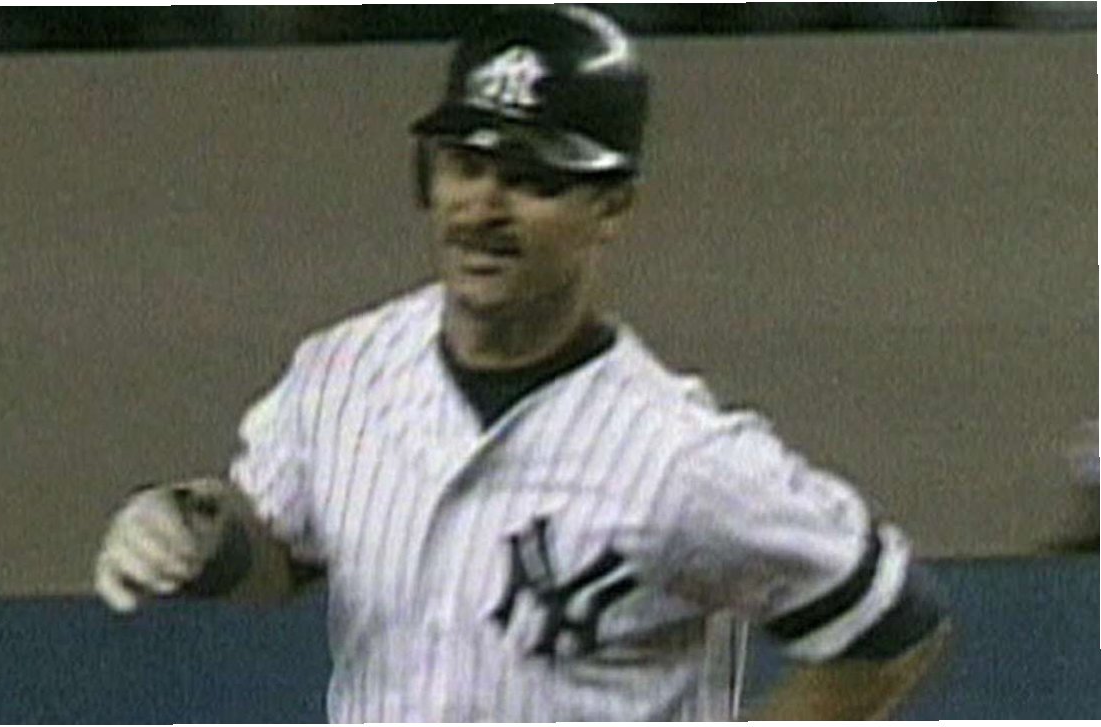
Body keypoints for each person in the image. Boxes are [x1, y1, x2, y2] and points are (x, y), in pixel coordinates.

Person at [94, 5, 949, 721]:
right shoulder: (342, 372)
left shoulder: (680, 457)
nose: (483, 207)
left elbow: (893, 624)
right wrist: (193, 528)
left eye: (532, 178)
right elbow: (278, 555)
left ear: (610, 206)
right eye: (465, 165)